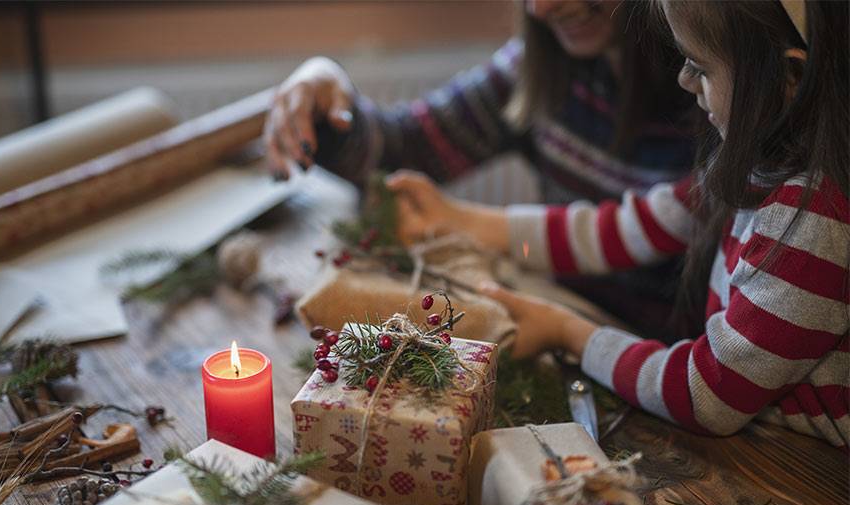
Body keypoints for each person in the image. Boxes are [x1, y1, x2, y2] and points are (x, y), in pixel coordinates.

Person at [389, 0, 849, 448]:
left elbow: (706, 393)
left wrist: (570, 332)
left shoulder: (812, 219)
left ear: (790, 78)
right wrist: (462, 222)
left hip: (813, 473)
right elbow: (629, 228)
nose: (684, 79)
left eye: (700, 66)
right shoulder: (755, 163)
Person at [261, 1, 697, 336]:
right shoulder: (539, 65)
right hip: (558, 329)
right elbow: (402, 151)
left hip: (676, 376)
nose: (539, 8)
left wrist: (467, 221)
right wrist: (327, 88)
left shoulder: (723, 99)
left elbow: (659, 228)